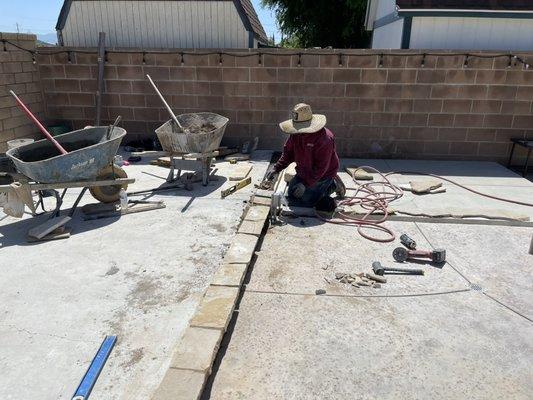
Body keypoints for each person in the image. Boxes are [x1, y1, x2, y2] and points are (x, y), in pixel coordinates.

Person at [263, 103, 345, 211]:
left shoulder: (325, 139)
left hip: (323, 174)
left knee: (306, 201)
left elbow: (321, 168)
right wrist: (276, 168)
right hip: (304, 171)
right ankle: (321, 187)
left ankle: (332, 184)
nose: (298, 132)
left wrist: (305, 184)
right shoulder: (296, 134)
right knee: (292, 194)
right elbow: (288, 153)